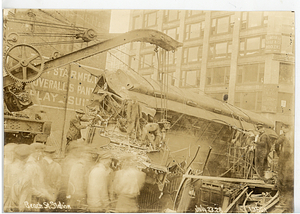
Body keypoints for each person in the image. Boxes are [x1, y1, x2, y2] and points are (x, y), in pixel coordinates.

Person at [275, 123, 294, 212]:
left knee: (282, 179)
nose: (282, 129)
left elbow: (276, 144)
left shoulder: (283, 136)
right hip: (291, 161)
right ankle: (287, 201)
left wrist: (279, 154)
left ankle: (283, 200)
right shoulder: (293, 135)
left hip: (284, 160)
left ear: (285, 128)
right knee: (288, 180)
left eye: (283, 127)